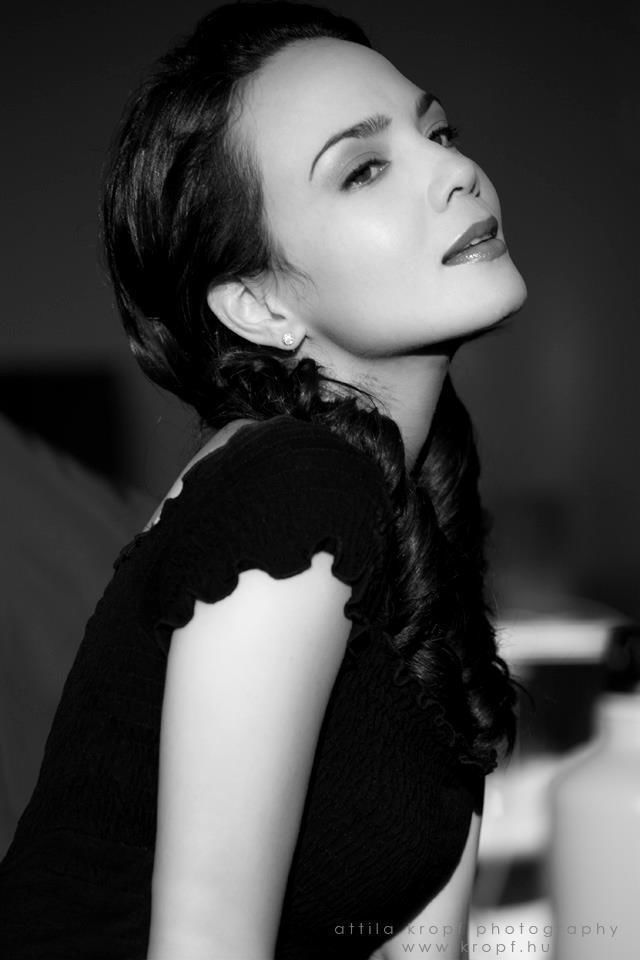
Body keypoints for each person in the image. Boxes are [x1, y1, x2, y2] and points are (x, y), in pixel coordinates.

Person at [0, 1, 528, 957]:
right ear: (257, 303)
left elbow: (417, 937)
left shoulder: (418, 503)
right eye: (363, 169)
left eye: (439, 132)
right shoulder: (293, 489)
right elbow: (205, 943)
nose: (455, 171)